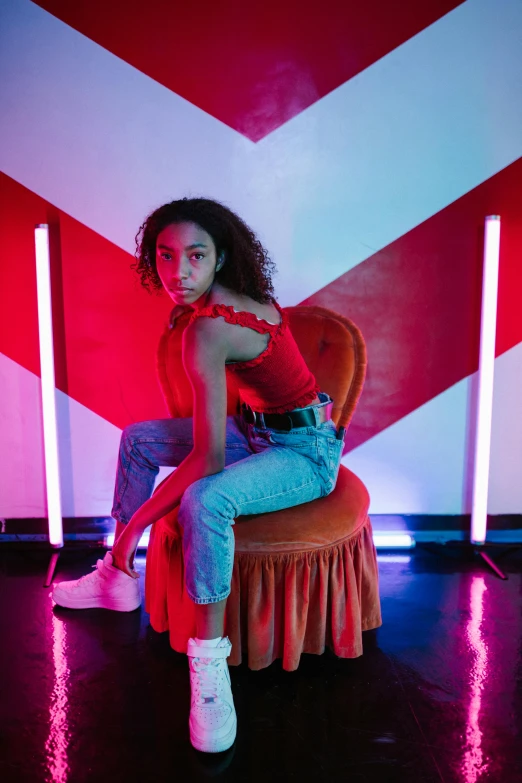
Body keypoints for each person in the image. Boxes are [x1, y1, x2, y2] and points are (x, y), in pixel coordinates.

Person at [52, 198, 344, 753]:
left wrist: (136, 527)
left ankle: (208, 664)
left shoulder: (208, 330)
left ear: (219, 258)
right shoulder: (230, 300)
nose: (177, 272)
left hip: (306, 453)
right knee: (138, 439)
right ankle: (117, 583)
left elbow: (207, 462)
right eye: (165, 256)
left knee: (205, 500)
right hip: (258, 431)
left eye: (194, 255)